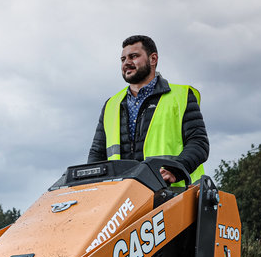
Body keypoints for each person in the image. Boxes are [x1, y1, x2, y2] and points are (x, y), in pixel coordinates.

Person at [87, 35, 209, 185]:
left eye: (134, 56)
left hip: (172, 194)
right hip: (122, 198)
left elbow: (198, 143)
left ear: (153, 59)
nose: (127, 63)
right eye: (123, 59)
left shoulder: (182, 96)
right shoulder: (111, 105)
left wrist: (177, 169)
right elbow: (96, 155)